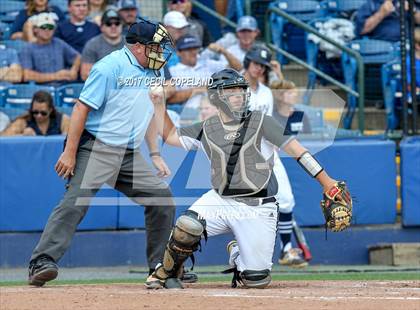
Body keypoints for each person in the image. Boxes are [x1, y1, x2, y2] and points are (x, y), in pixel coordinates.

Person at [148, 68, 351, 289]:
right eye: (231, 91)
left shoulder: (262, 121)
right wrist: (159, 104)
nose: (239, 95)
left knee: (256, 280)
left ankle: (238, 252)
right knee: (187, 226)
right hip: (220, 200)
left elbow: (299, 152)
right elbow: (169, 136)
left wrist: (327, 181)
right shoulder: (207, 127)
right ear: (216, 97)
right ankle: (167, 272)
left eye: (240, 90)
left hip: (259, 206)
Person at [27, 19, 176, 288]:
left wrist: (155, 153)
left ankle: (160, 267)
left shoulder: (153, 72)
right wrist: (70, 153)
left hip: (128, 152)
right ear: (139, 47)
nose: (161, 51)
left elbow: (150, 113)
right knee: (75, 201)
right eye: (156, 46)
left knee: (162, 199)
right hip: (97, 146)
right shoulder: (110, 67)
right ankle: (42, 260)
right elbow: (80, 109)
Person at [244, 47, 308, 267]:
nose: (258, 68)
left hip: (269, 154)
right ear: (247, 62)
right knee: (248, 207)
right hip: (245, 157)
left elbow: (273, 115)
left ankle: (286, 250)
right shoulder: (237, 89)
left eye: (262, 65)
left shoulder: (266, 92)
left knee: (287, 200)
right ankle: (244, 252)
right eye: (255, 63)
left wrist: (274, 139)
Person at [168, 34, 241, 109]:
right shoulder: (173, 71)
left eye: (195, 48)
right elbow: (170, 99)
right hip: (190, 112)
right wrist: (198, 90)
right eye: (188, 49)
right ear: (178, 52)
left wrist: (224, 51)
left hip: (216, 109)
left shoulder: (207, 63)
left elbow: (237, 69)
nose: (193, 52)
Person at [19, 12, 81, 84]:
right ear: (35, 29)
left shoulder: (59, 43)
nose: (47, 30)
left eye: (50, 27)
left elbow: (78, 57)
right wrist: (56, 76)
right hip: (40, 89)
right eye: (43, 27)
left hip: (61, 86)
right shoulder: (28, 48)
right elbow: (27, 75)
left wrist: (73, 70)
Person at [81, 9, 125, 80]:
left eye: (117, 23)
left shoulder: (131, 44)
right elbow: (85, 75)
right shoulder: (92, 44)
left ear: (122, 26)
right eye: (108, 23)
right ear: (101, 27)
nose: (113, 26)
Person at [1, 91, 70, 136]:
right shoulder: (24, 121)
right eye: (35, 112)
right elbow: (3, 138)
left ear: (50, 110)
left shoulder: (62, 120)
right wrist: (21, 135)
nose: (39, 116)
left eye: (43, 113)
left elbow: (72, 139)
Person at [355, 0, 420, 42]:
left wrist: (413, 10)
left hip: (408, 45)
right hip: (380, 47)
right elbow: (361, 30)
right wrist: (381, 13)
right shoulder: (371, 4)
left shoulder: (408, 2)